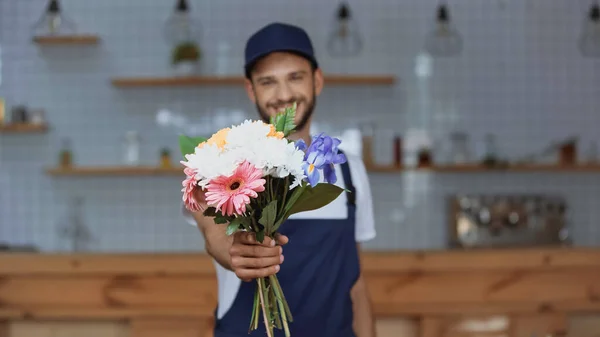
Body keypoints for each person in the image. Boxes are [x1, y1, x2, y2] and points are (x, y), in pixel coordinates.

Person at [182, 22, 377, 337]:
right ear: (251, 89)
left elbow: (355, 283)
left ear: (317, 80)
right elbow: (215, 235)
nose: (284, 95)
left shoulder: (350, 172)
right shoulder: (223, 168)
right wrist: (236, 253)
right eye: (268, 81)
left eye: (295, 77)